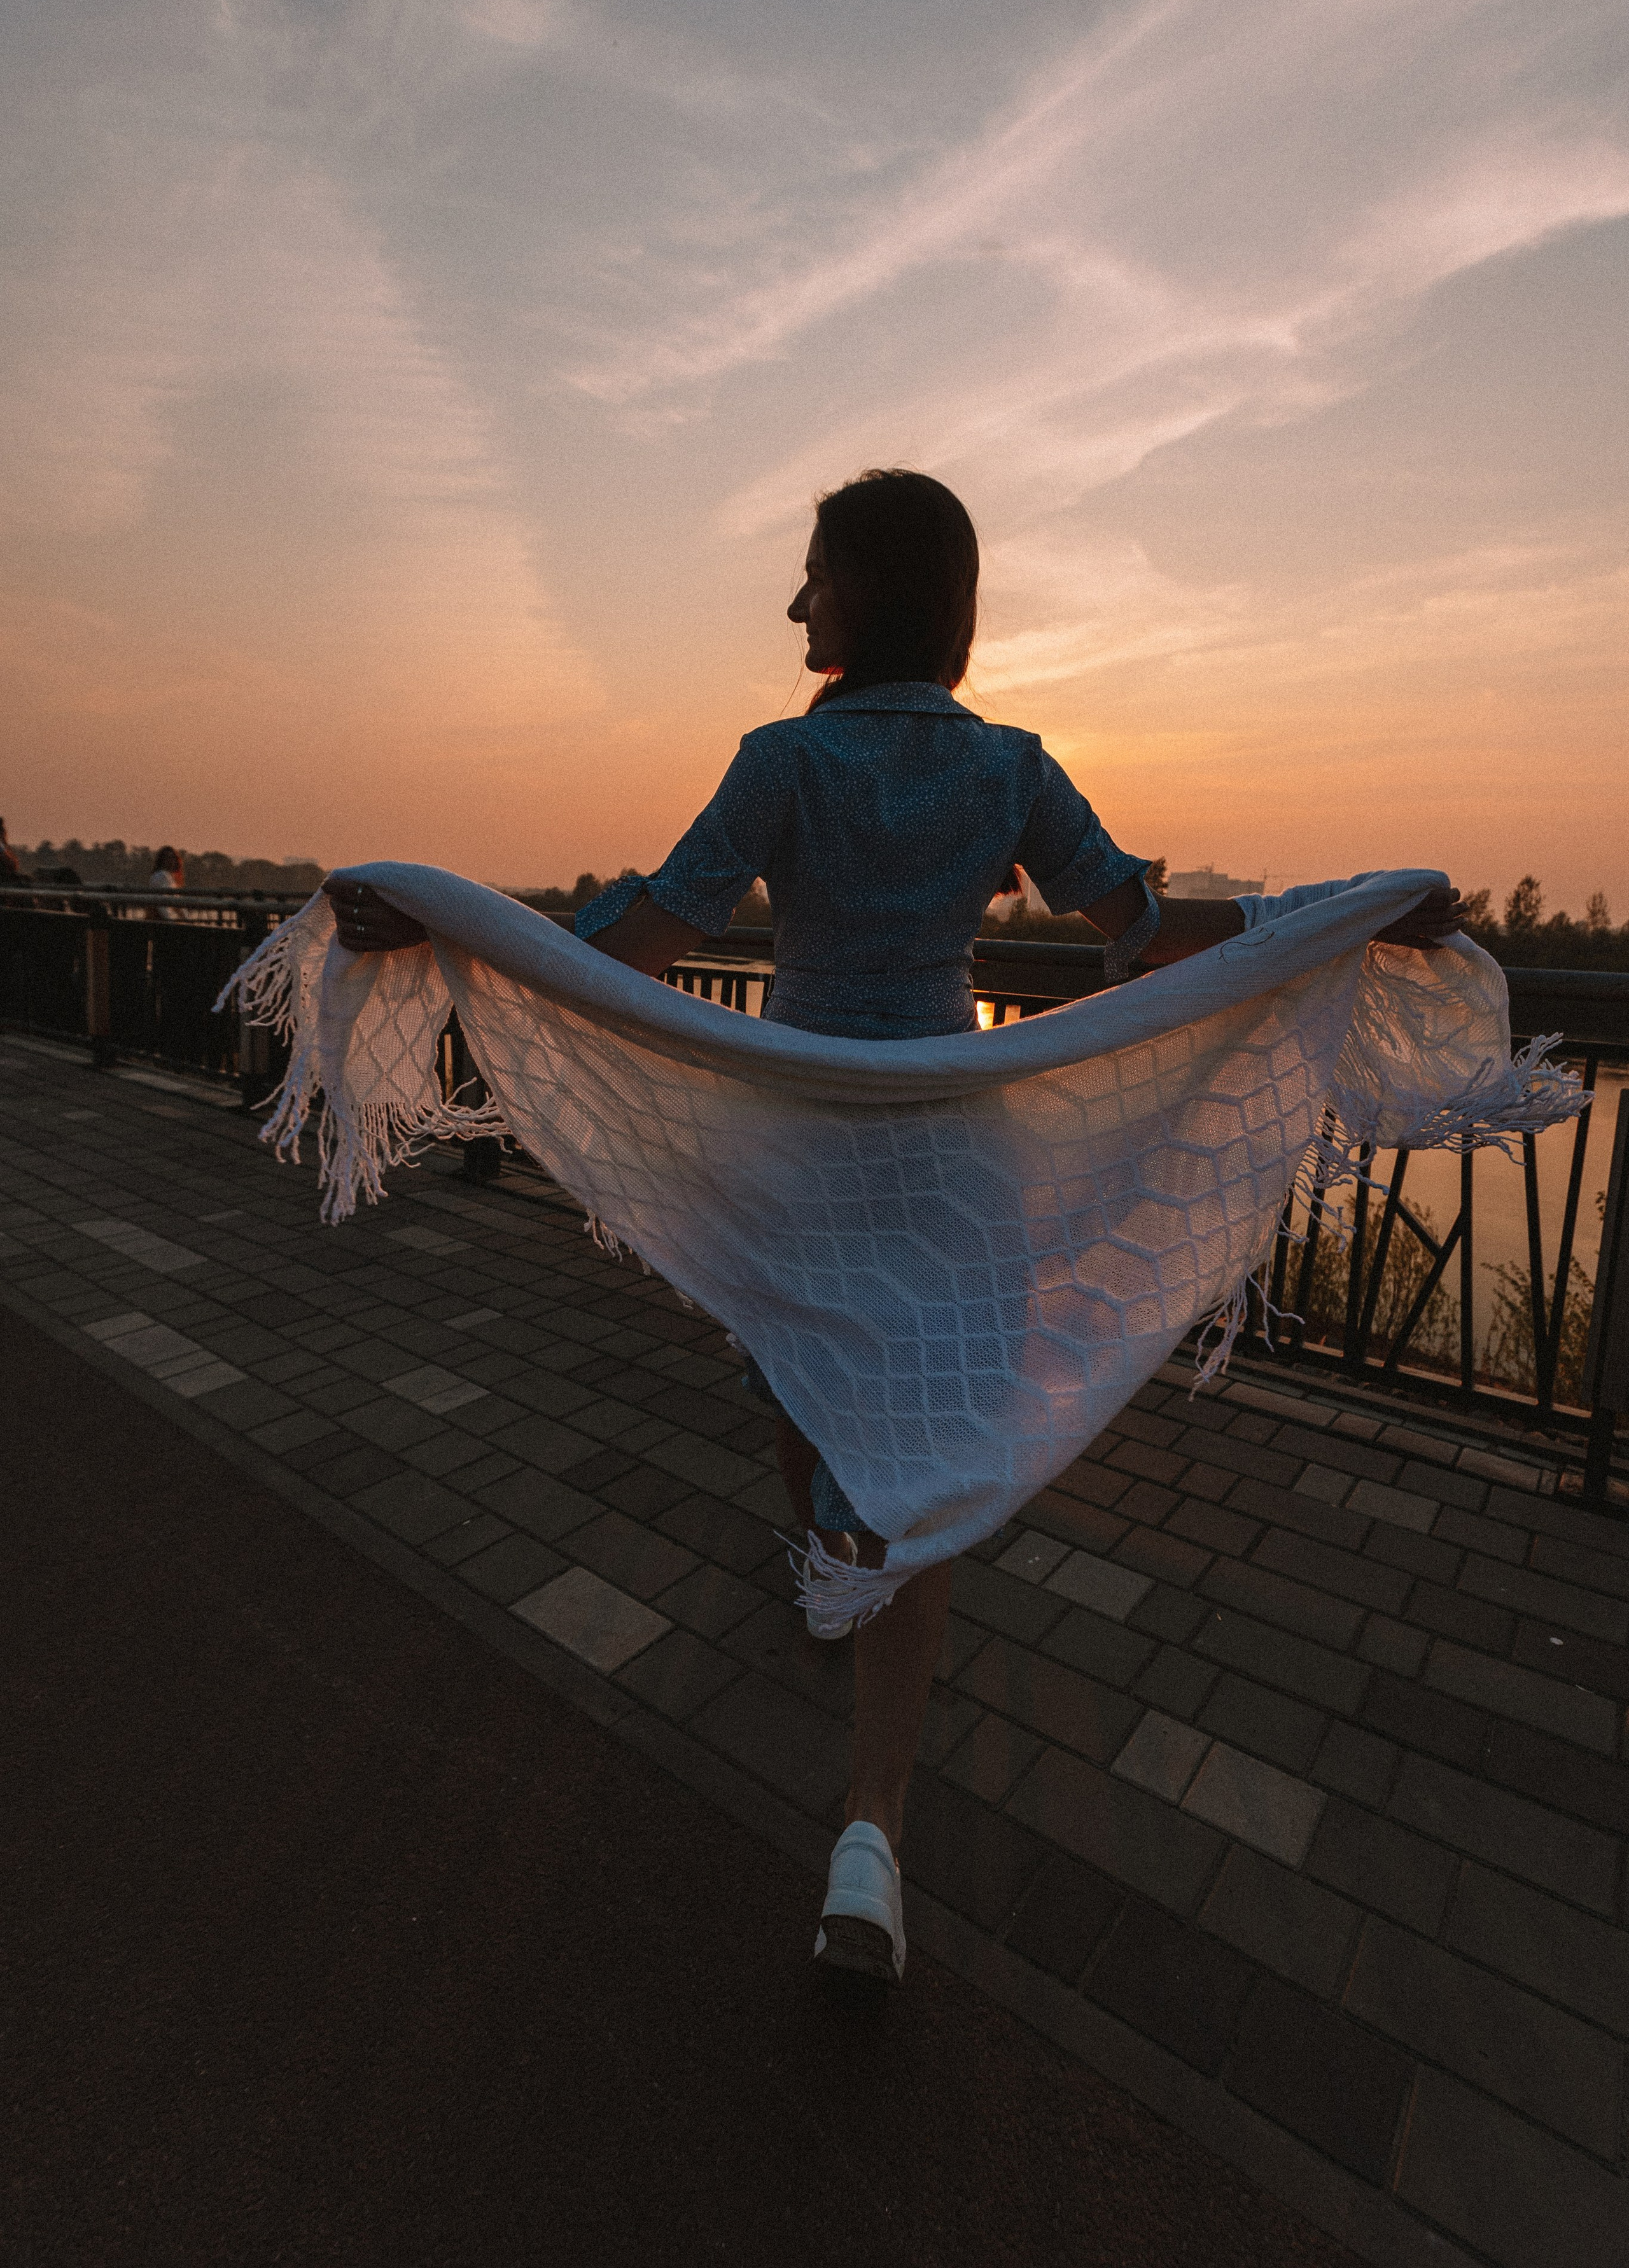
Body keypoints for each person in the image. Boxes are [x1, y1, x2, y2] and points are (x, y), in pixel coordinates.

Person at [325, 468, 1460, 1984]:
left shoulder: (781, 761)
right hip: (947, 1147)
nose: (794, 605)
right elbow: (1145, 935)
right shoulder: (1009, 768)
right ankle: (870, 1831)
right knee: (913, 1452)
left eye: (811, 577)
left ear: (868, 589)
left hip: (803, 1139)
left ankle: (822, 1563)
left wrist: (457, 922)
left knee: (806, 1374)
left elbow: (645, 937)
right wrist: (1339, 910)